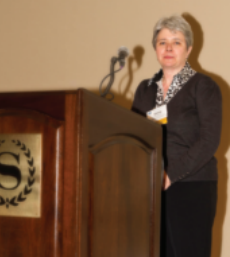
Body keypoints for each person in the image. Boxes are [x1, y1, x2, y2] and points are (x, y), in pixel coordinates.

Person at [131, 16, 222, 257]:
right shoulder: (144, 89)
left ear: (189, 49)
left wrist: (170, 174)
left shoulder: (203, 86)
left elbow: (209, 140)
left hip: (192, 185)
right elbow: (134, 135)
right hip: (150, 186)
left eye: (176, 42)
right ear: (155, 49)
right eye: (162, 42)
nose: (168, 48)